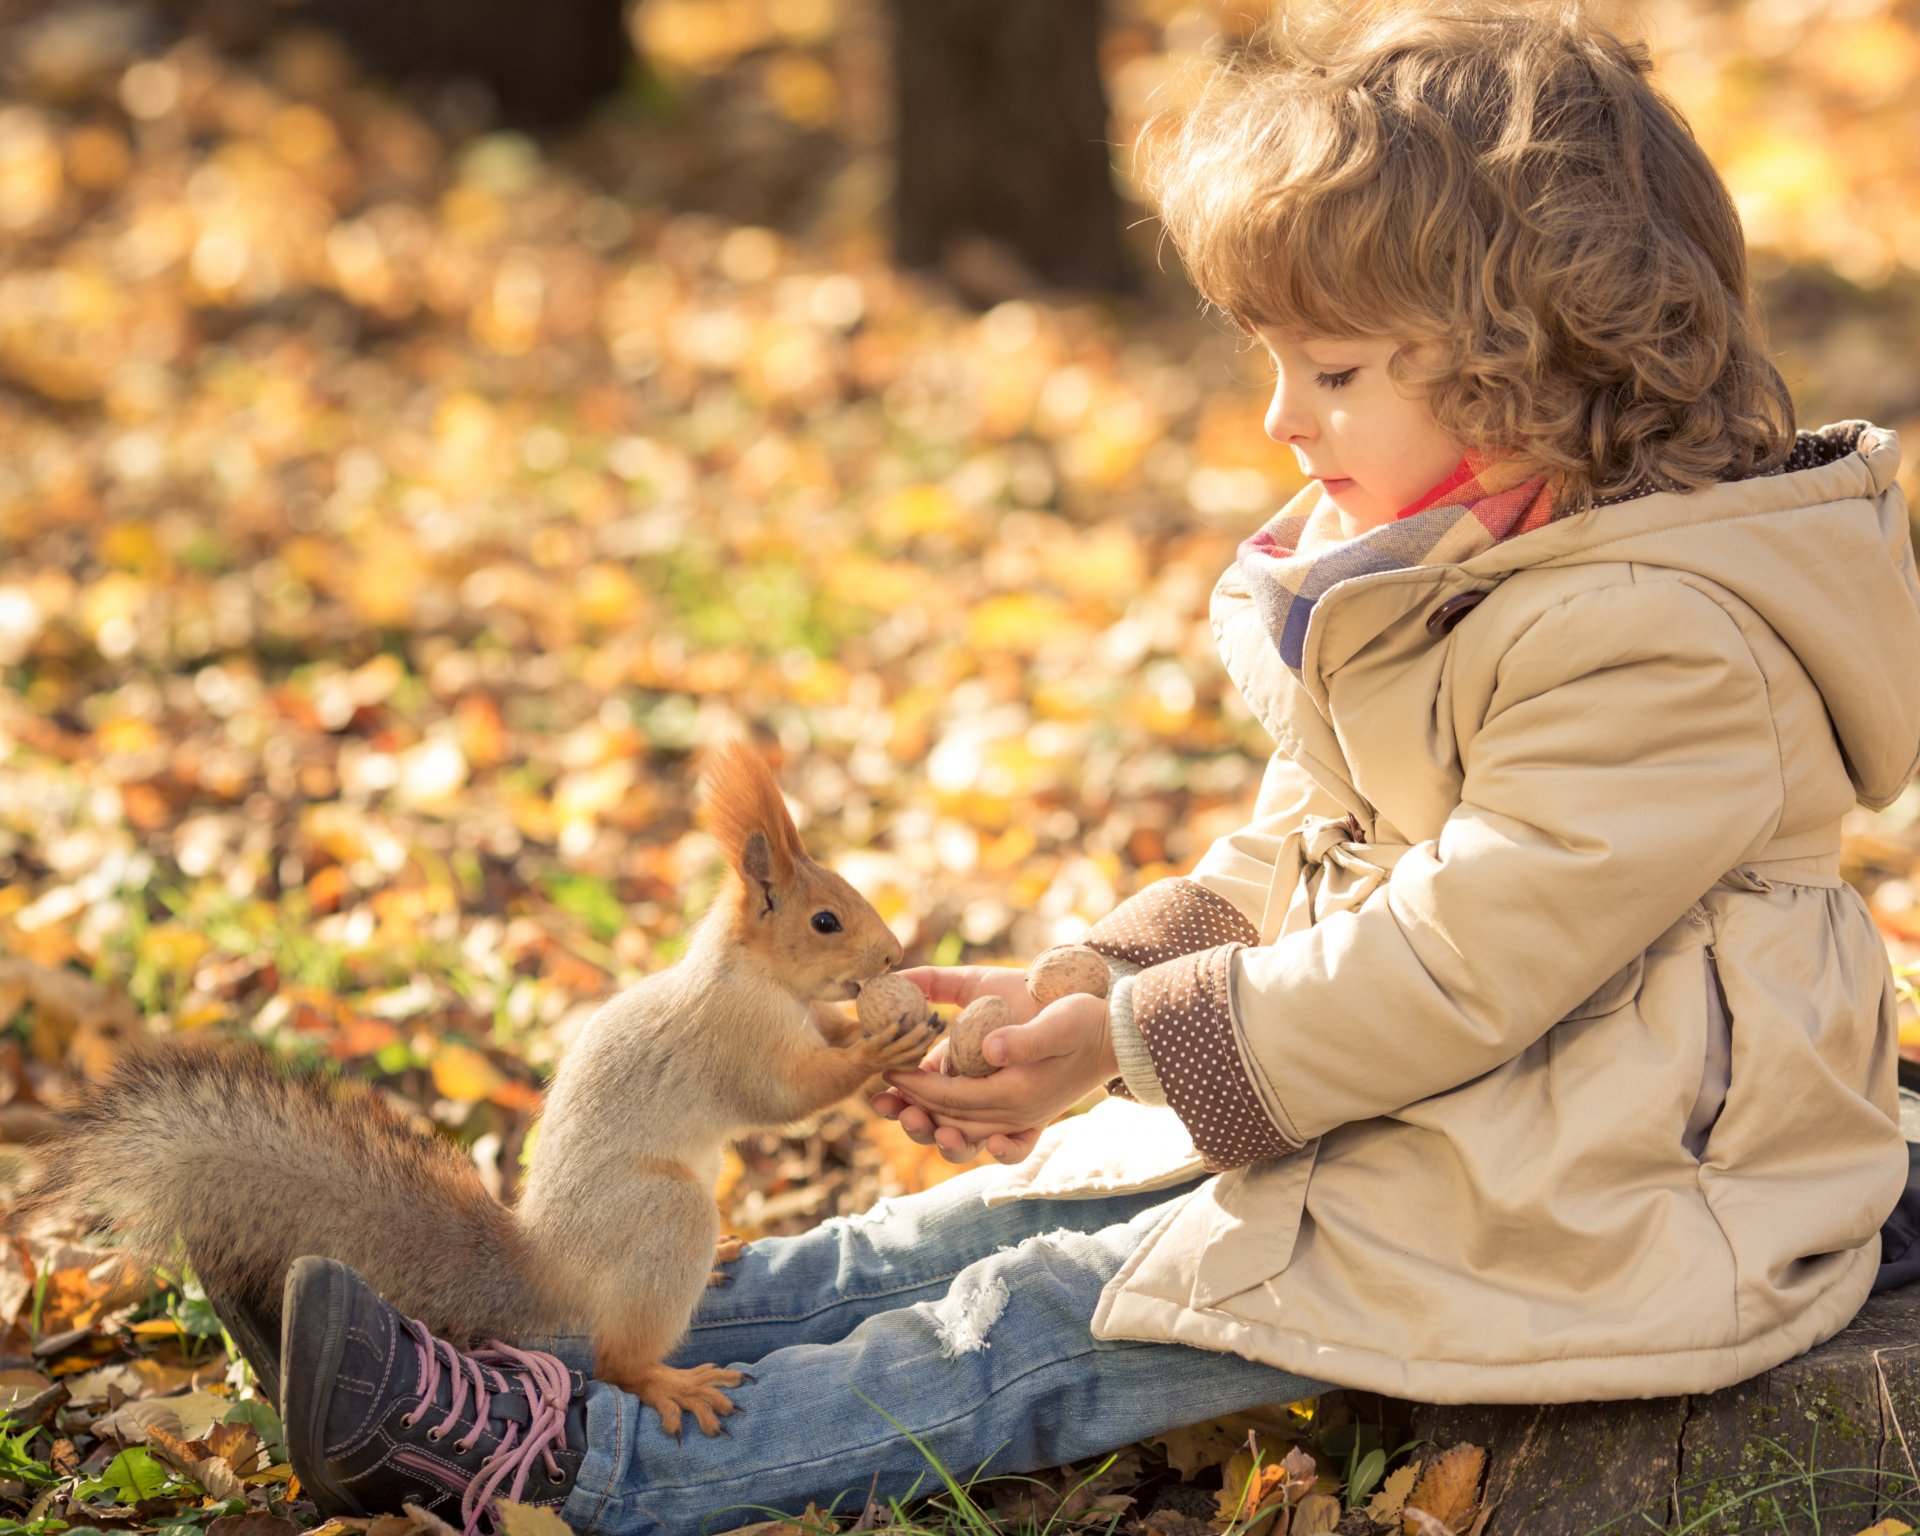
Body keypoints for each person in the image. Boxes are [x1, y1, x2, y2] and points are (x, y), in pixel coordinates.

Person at [269, 2, 1920, 1532]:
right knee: (973, 1233)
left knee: (1044, 1321)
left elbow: (1458, 960)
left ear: (1529, 366)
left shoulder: (1659, 642)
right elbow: (1305, 856)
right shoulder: (1458, 568)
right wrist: (1097, 977)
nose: (1280, 418)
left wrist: (1124, 1049)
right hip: (1458, 1122)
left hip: (1599, 1193)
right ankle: (504, 1330)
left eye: (1329, 371)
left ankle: (567, 1457)